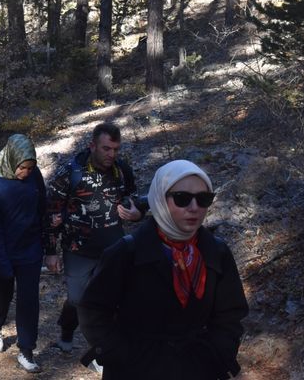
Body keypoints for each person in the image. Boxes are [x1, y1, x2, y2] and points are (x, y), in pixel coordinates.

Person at [78, 160, 249, 379]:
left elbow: (230, 315)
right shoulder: (125, 253)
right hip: (135, 371)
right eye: (182, 198)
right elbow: (93, 310)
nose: (194, 207)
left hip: (198, 370)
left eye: (203, 199)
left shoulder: (216, 252)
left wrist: (216, 355)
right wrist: (120, 354)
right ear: (159, 199)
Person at [43, 122, 143, 355]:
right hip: (78, 250)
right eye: (106, 148)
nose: (112, 154)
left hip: (114, 249)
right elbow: (51, 213)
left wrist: (138, 213)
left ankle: (103, 351)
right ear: (92, 146)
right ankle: (67, 331)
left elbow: (133, 198)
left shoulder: (122, 171)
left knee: (111, 301)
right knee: (78, 299)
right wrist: (50, 251)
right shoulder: (70, 174)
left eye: (116, 149)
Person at [0, 134, 47, 373]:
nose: (26, 173)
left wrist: (48, 246)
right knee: (3, 292)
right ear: (11, 160)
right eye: (22, 168)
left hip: (29, 249)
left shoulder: (34, 176)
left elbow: (43, 208)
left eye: (30, 168)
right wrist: (3, 263)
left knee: (29, 299)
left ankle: (27, 350)